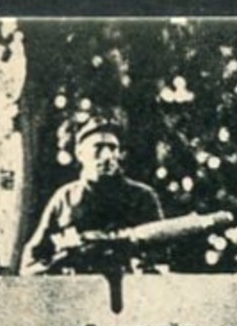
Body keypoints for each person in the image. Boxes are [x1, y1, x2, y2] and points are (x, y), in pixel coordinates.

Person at [20, 112, 164, 275]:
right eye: (98, 148)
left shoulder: (142, 197)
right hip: (78, 290)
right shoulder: (65, 198)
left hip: (128, 290)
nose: (107, 156)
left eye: (112, 148)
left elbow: (158, 254)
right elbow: (31, 262)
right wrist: (59, 262)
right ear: (80, 154)